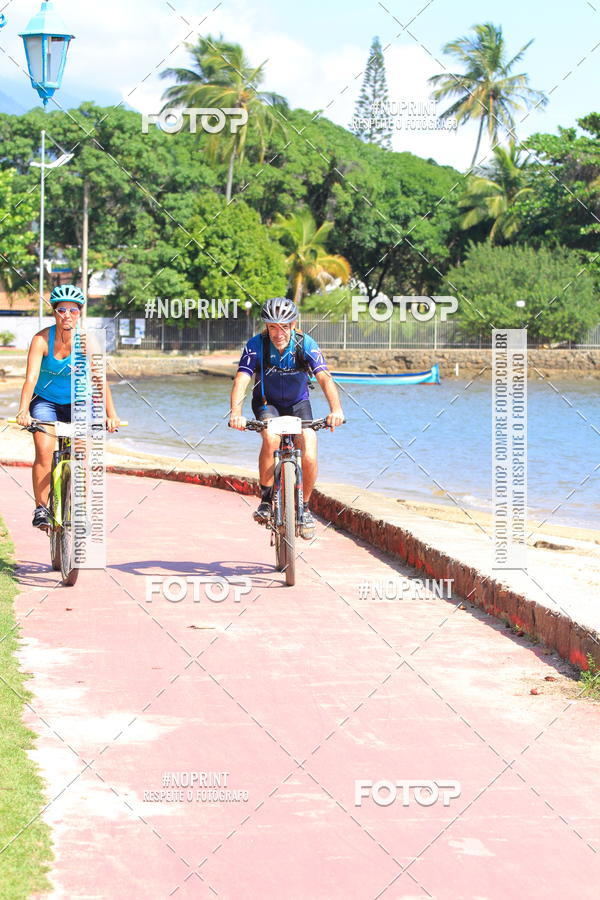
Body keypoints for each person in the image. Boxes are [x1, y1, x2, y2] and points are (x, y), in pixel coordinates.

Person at [229, 297, 344, 540]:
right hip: (266, 403)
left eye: (283, 326)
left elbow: (324, 377)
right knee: (271, 438)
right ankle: (266, 499)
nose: (277, 332)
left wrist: (336, 411)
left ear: (293, 325)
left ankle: (304, 508)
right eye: (272, 326)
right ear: (266, 327)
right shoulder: (256, 345)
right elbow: (242, 379)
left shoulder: (306, 344)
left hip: (298, 404)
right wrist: (236, 414)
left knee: (310, 447)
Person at [16, 284, 121, 528]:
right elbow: (30, 378)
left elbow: (98, 379)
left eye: (73, 310)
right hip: (46, 401)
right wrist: (23, 410)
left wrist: (111, 414)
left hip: (79, 400)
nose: (67, 315)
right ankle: (41, 508)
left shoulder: (87, 342)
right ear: (54, 312)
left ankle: (79, 507)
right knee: (44, 450)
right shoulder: (41, 340)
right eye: (62, 309)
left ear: (80, 313)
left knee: (81, 453)